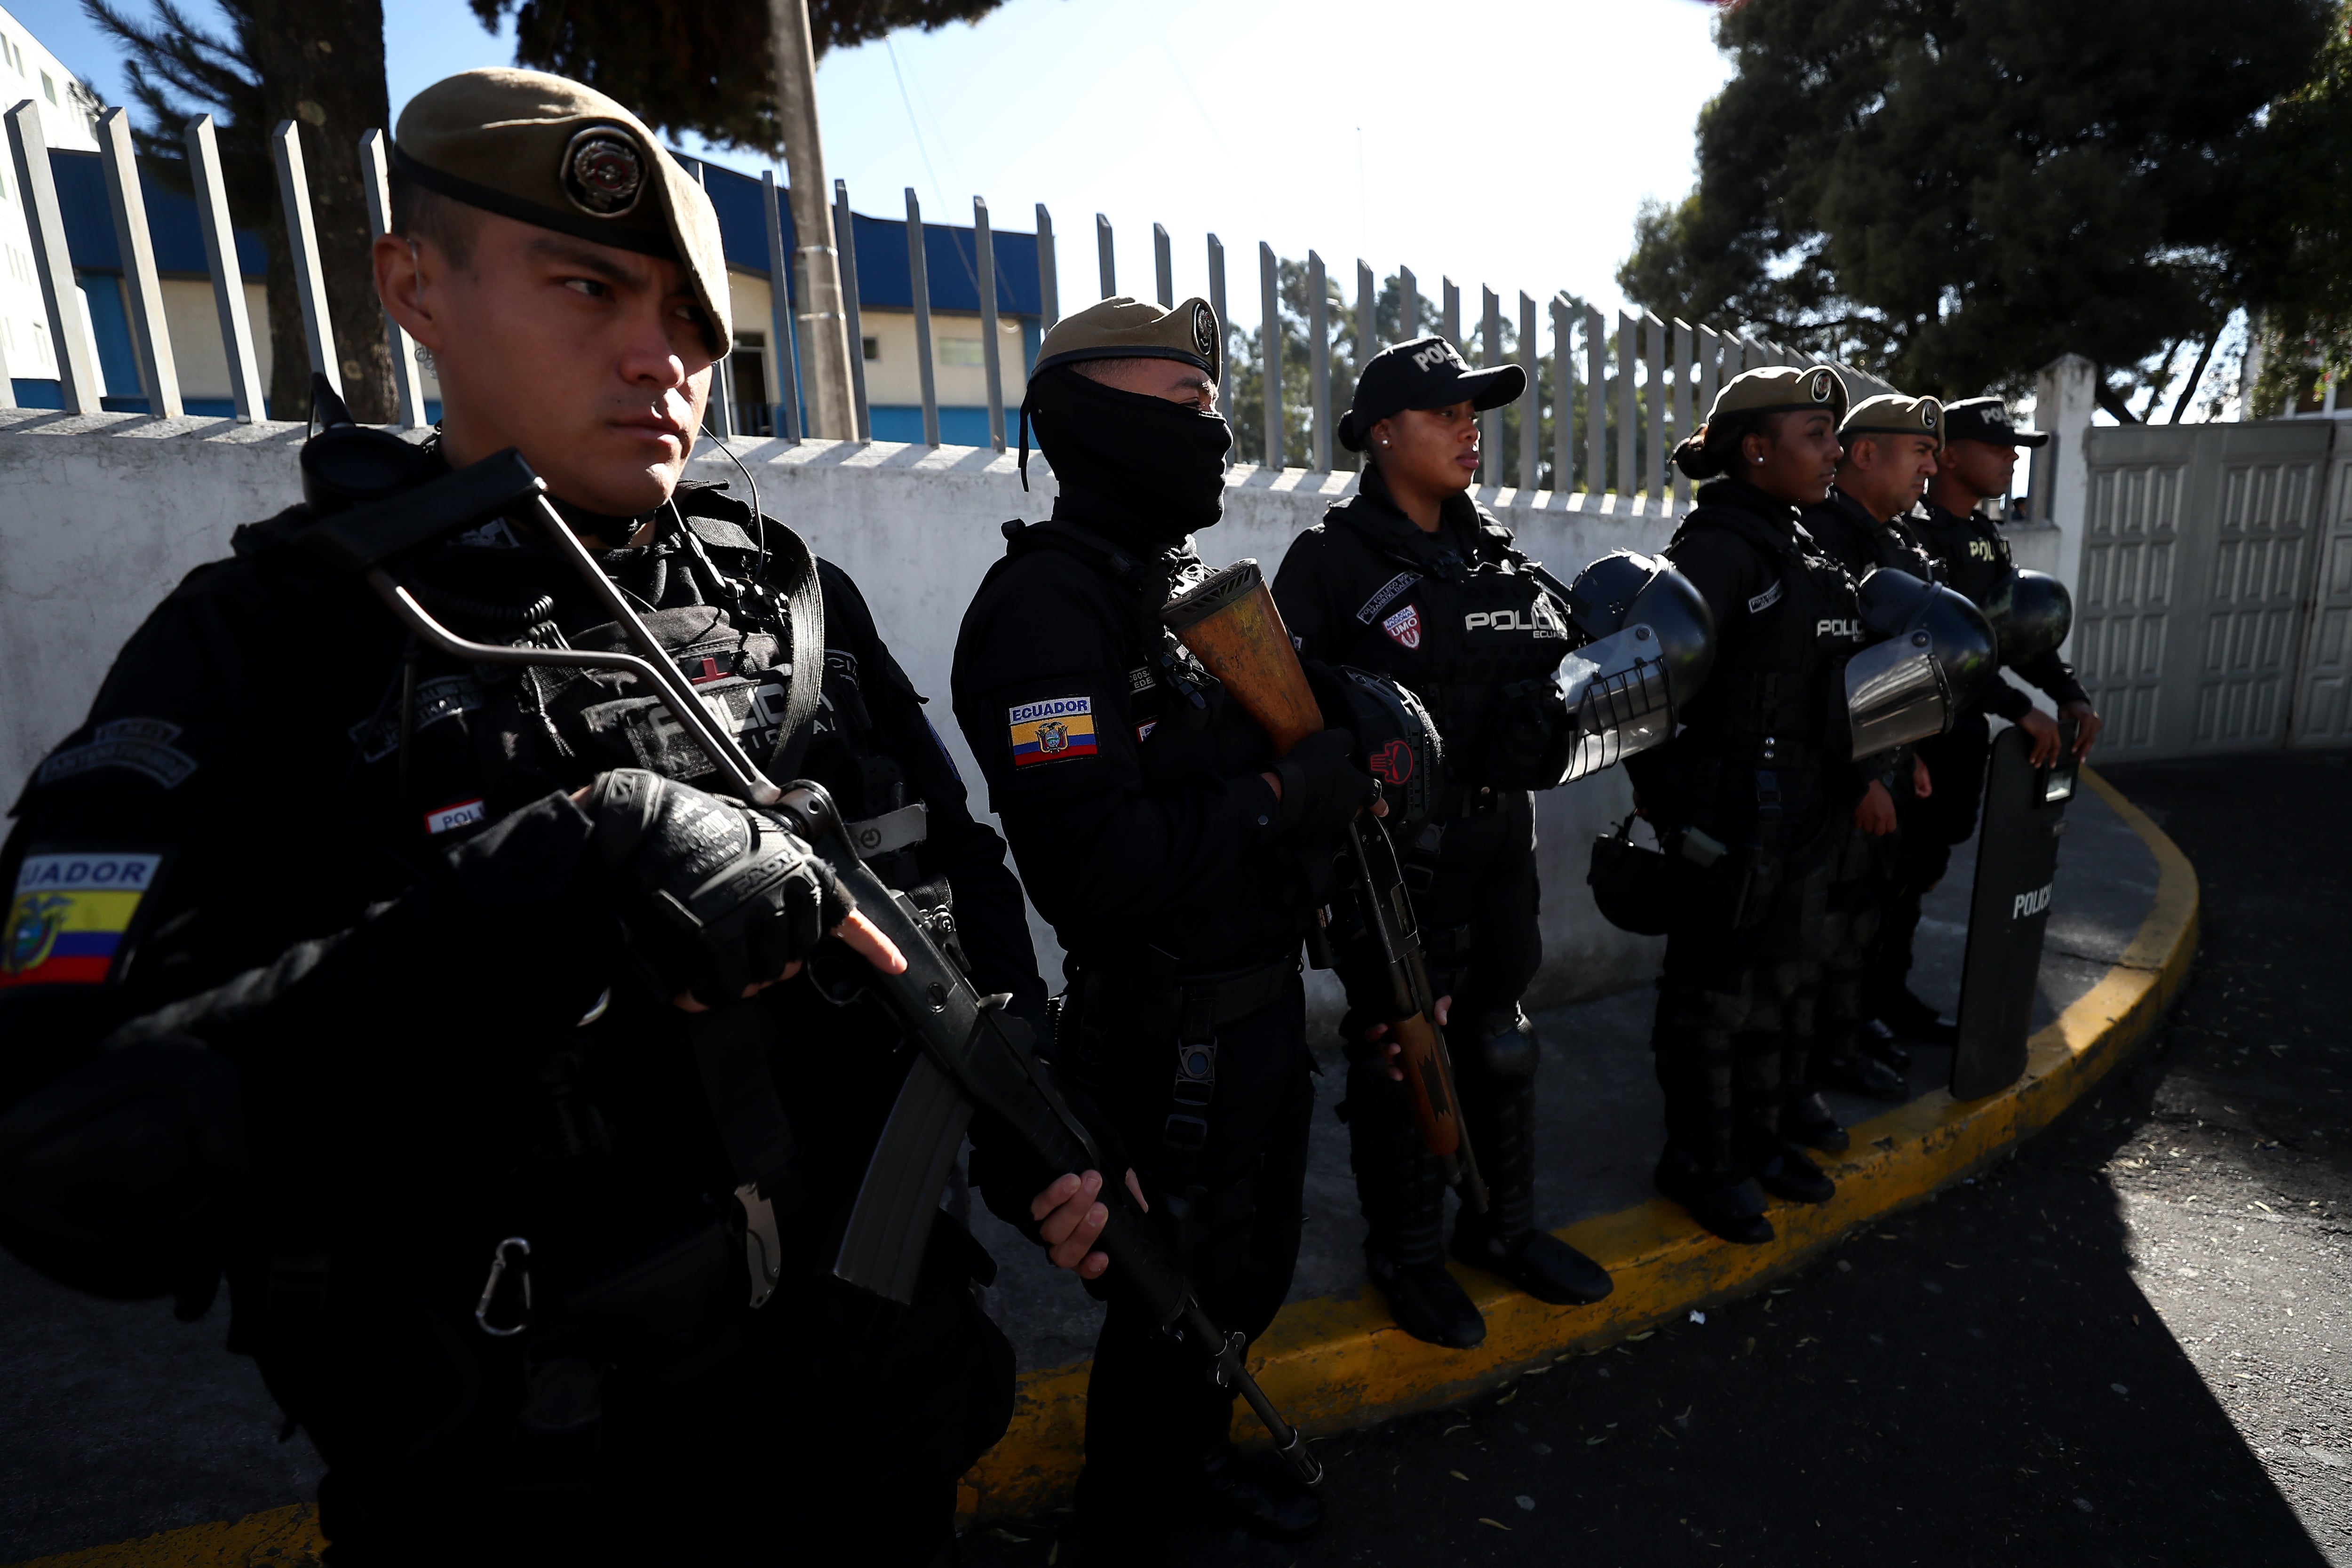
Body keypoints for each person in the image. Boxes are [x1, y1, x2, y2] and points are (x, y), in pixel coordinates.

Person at [0, 69, 1116, 1567]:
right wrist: (563, 877)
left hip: (881, 1424)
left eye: (692, 320)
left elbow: (953, 872)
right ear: (417, 288)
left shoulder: (787, 600)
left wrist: (1026, 1119)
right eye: (587, 285)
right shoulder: (277, 642)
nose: (657, 354)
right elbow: (59, 1136)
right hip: (550, 1482)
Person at [952, 296, 1378, 1561]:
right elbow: (1095, 865)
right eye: (1185, 407)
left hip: (1253, 1015)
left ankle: (1191, 1471)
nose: (1214, 432)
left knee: (1241, 1278)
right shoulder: (1045, 611)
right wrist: (1278, 795)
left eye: (1215, 407)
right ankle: (1135, 1512)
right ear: (1096, 419)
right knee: (1169, 1301)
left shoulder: (1184, 593)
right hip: (1163, 1037)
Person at [1267, 336, 1612, 1352]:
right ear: (1381, 433)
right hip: (1393, 863)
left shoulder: (1497, 550)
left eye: (1476, 411)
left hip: (1500, 841)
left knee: (1500, 1038)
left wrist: (1551, 717)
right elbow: (1286, 718)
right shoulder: (1328, 564)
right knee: (1397, 1053)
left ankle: (1501, 1229)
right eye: (1443, 410)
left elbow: (1565, 676)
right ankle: (1407, 1254)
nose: (1470, 428)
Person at [1623, 365, 1872, 1244]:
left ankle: (1758, 1141)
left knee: (1781, 991)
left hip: (1803, 819)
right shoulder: (1715, 552)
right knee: (1712, 1003)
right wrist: (1675, 821)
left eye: (1833, 435)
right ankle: (1699, 1160)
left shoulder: (1804, 545)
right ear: (1756, 449)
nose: (1834, 450)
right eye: (1816, 435)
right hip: (1728, 824)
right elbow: (1638, 697)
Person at [1870, 396, 2103, 1043]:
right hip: (1915, 740)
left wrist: (2069, 694)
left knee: (1923, 874)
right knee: (1886, 880)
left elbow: (2018, 634)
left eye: (2015, 451)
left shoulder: (1986, 536)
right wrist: (2018, 707)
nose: (2011, 461)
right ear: (1948, 455)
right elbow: (1938, 652)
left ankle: (1890, 997)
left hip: (1964, 744)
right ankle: (1860, 1014)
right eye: (1999, 448)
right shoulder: (1908, 538)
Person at [1783, 392, 1947, 1145]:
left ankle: (1843, 1039)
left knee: (1860, 921)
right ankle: (1810, 1066)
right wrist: (1866, 779)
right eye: (1918, 452)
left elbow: (1899, 668)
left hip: (1880, 768)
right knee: (1823, 930)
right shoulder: (1826, 538)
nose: (1931, 467)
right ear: (1867, 453)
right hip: (1837, 781)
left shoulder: (1891, 541)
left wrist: (1903, 756)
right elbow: (1830, 681)